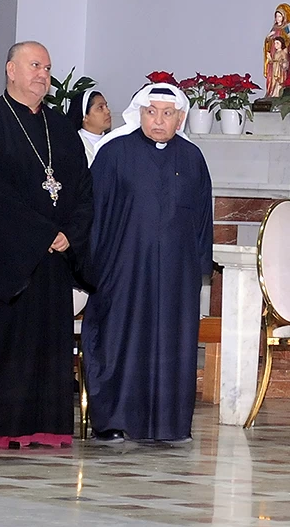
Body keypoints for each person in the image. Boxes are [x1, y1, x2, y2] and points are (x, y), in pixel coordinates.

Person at [0, 41, 92, 449]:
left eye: (47, 68)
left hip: (52, 258)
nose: (42, 75)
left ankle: (44, 428)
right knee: (4, 346)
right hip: (6, 260)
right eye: (34, 65)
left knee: (48, 347)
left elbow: (84, 188)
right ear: (10, 69)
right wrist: (40, 233)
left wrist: (71, 231)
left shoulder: (61, 127)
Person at [83, 83, 213, 443]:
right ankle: (115, 421)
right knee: (120, 342)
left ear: (180, 118)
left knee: (173, 345)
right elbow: (93, 214)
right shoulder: (114, 153)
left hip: (176, 276)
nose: (158, 120)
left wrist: (198, 270)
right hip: (122, 271)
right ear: (138, 113)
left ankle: (169, 425)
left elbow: (203, 218)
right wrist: (94, 269)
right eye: (151, 112)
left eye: (167, 113)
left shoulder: (192, 159)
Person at [66, 89, 111, 166]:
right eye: (100, 107)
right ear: (85, 117)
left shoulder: (113, 142)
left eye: (106, 106)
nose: (107, 111)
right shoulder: (73, 146)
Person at [263, 4, 290, 94]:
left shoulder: (285, 28)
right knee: (271, 72)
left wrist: (284, 48)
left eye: (279, 16)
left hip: (281, 53)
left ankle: (278, 93)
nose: (277, 18)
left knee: (280, 73)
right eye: (276, 16)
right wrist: (268, 37)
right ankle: (271, 92)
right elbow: (268, 41)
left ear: (283, 17)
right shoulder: (274, 28)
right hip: (273, 51)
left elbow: (287, 41)